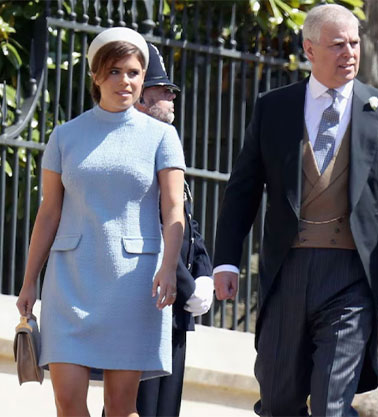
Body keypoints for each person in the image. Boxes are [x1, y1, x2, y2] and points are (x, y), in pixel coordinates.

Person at [212, 4, 378, 416]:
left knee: (331, 404)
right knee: (278, 402)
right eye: (337, 45)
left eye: (355, 43)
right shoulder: (274, 107)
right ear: (309, 49)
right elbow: (242, 190)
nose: (350, 53)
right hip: (287, 270)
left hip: (352, 276)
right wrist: (225, 262)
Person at [15, 27, 186, 417]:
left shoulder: (162, 137)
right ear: (95, 75)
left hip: (134, 283)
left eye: (133, 73)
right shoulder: (64, 136)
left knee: (120, 407)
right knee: (67, 401)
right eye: (114, 72)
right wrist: (28, 282)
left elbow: (174, 208)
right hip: (69, 284)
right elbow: (49, 213)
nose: (125, 81)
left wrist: (169, 267)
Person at [132, 43, 214, 417]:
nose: (172, 96)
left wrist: (204, 274)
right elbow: (150, 226)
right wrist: (187, 284)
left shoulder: (165, 146)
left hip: (176, 305)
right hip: (149, 301)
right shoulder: (136, 151)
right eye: (163, 90)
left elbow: (186, 222)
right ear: (141, 99)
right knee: (136, 408)